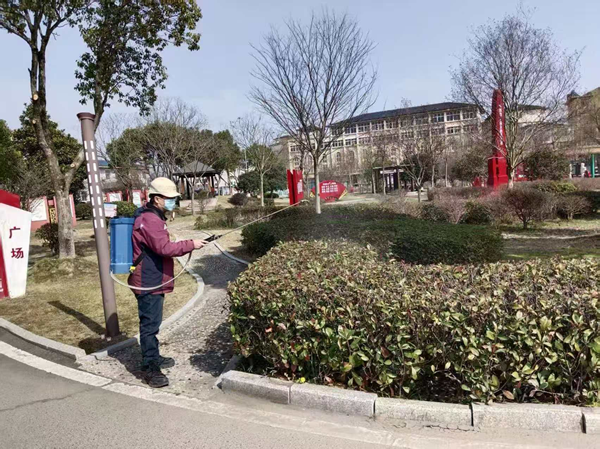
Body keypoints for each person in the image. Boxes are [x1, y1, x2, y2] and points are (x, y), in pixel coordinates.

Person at [128, 177, 206, 388]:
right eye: (169, 198)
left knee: (152, 323)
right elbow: (164, 248)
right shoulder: (151, 220)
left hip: (151, 277)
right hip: (148, 280)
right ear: (157, 199)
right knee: (150, 326)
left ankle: (153, 357)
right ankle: (150, 368)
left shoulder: (151, 216)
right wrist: (191, 244)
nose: (173, 201)